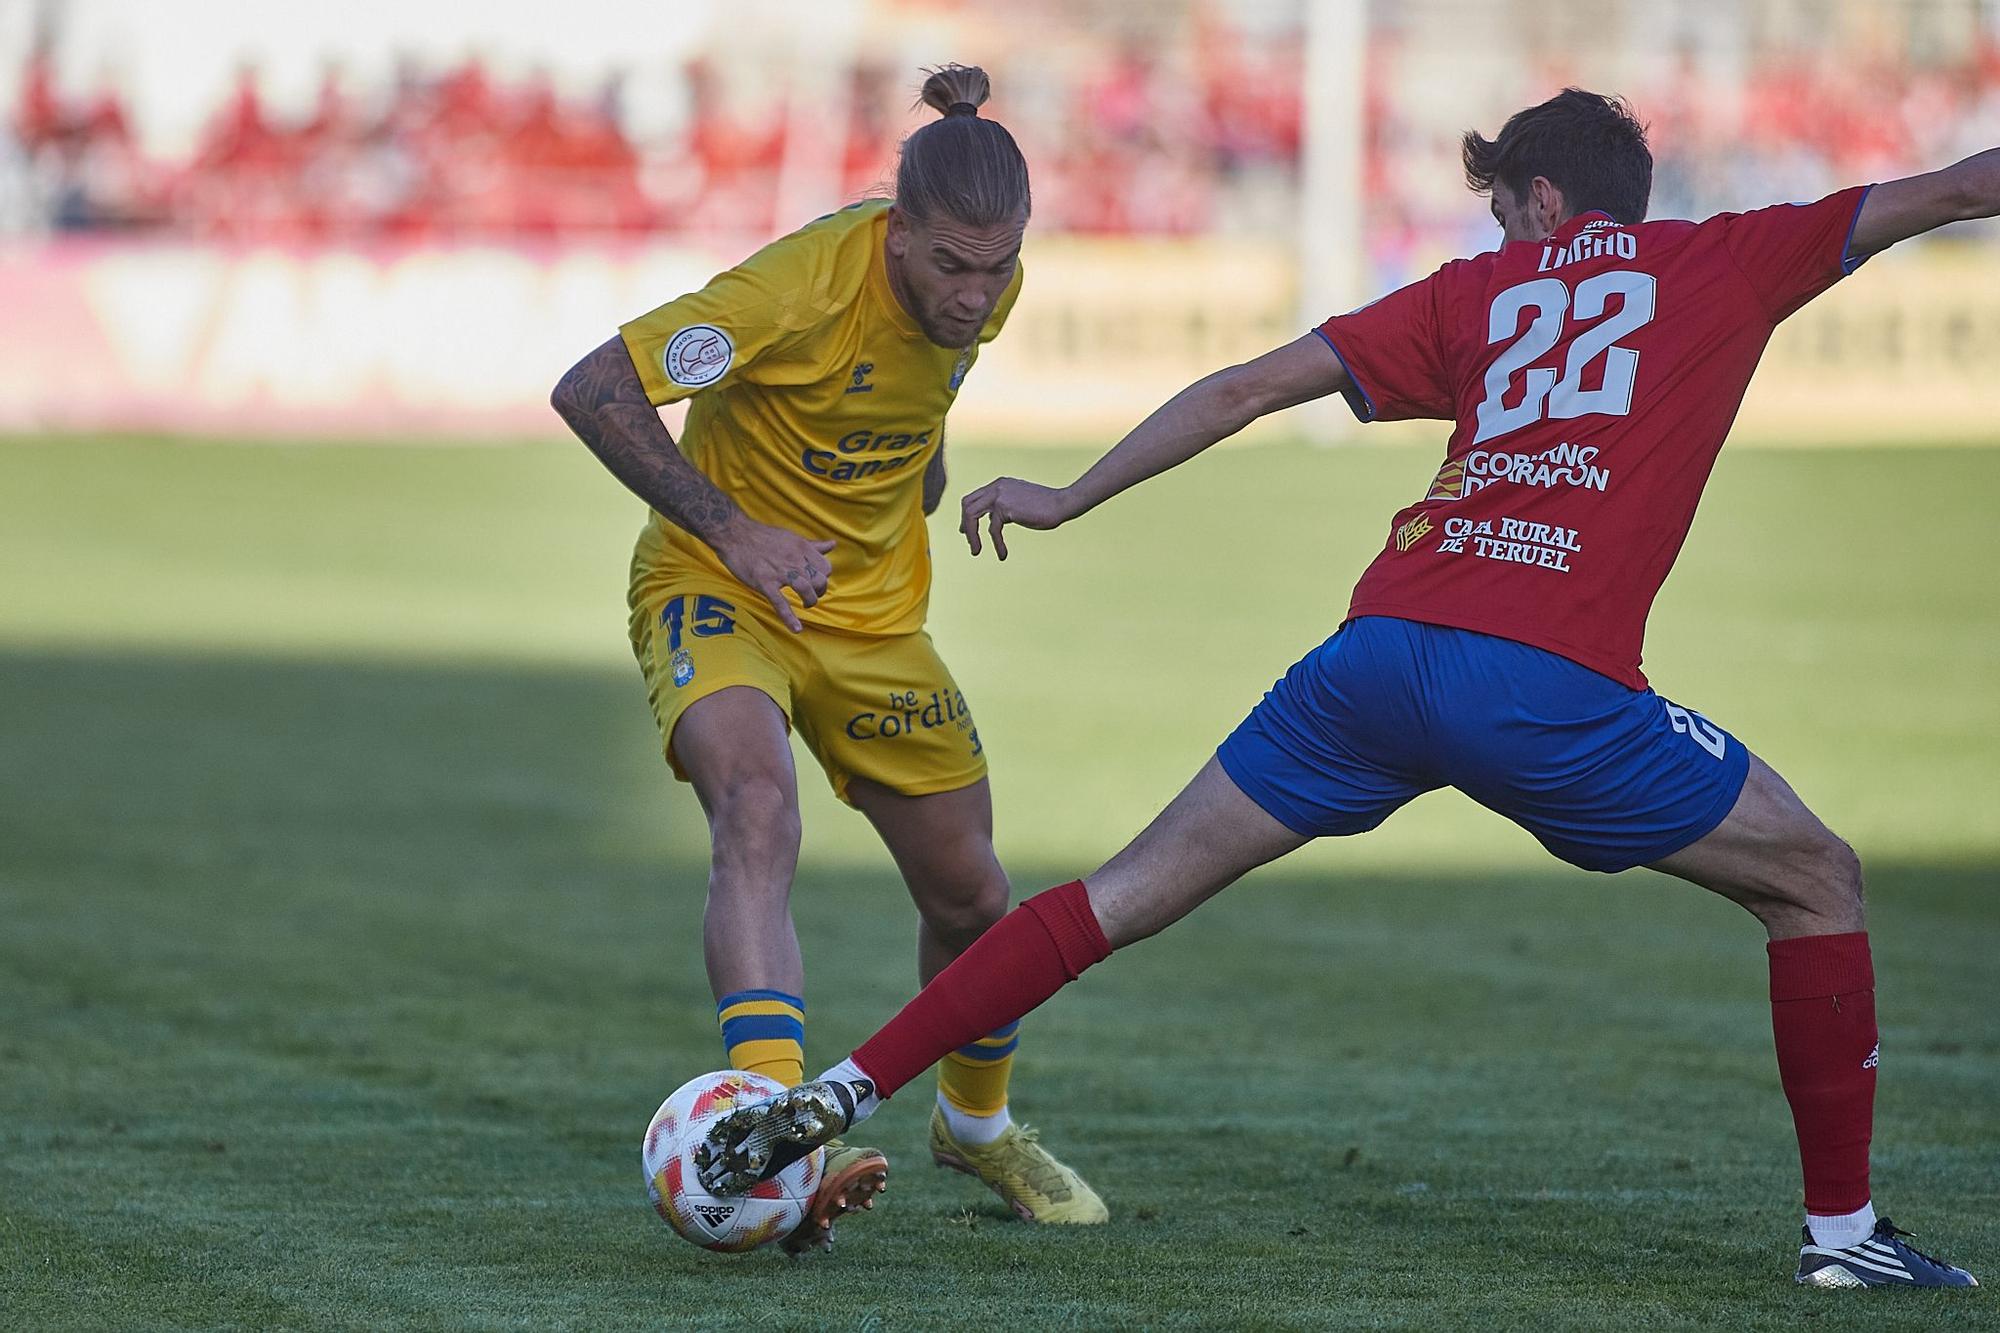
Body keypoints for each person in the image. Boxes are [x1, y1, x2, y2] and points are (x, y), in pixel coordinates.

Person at [697, 90, 1991, 1288]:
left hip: (1374, 660)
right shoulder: (1725, 257)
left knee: (1114, 899)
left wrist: (1068, 494)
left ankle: (846, 1087)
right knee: (1817, 875)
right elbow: (1948, 189)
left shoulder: (1476, 292)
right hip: (1544, 683)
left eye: (1499, 205)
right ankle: (1846, 1237)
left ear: (1541, 200)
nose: (1496, 228)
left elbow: (1250, 386)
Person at [550, 64, 1106, 1251]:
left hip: (872, 615)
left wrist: (926, 466)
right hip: (717, 584)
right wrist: (735, 533)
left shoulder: (988, 291)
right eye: (949, 266)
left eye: (995, 266)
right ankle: (774, 1126)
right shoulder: (787, 293)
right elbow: (591, 387)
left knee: (973, 895)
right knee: (756, 807)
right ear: (895, 233)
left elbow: (919, 389)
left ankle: (976, 1120)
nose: (973, 294)